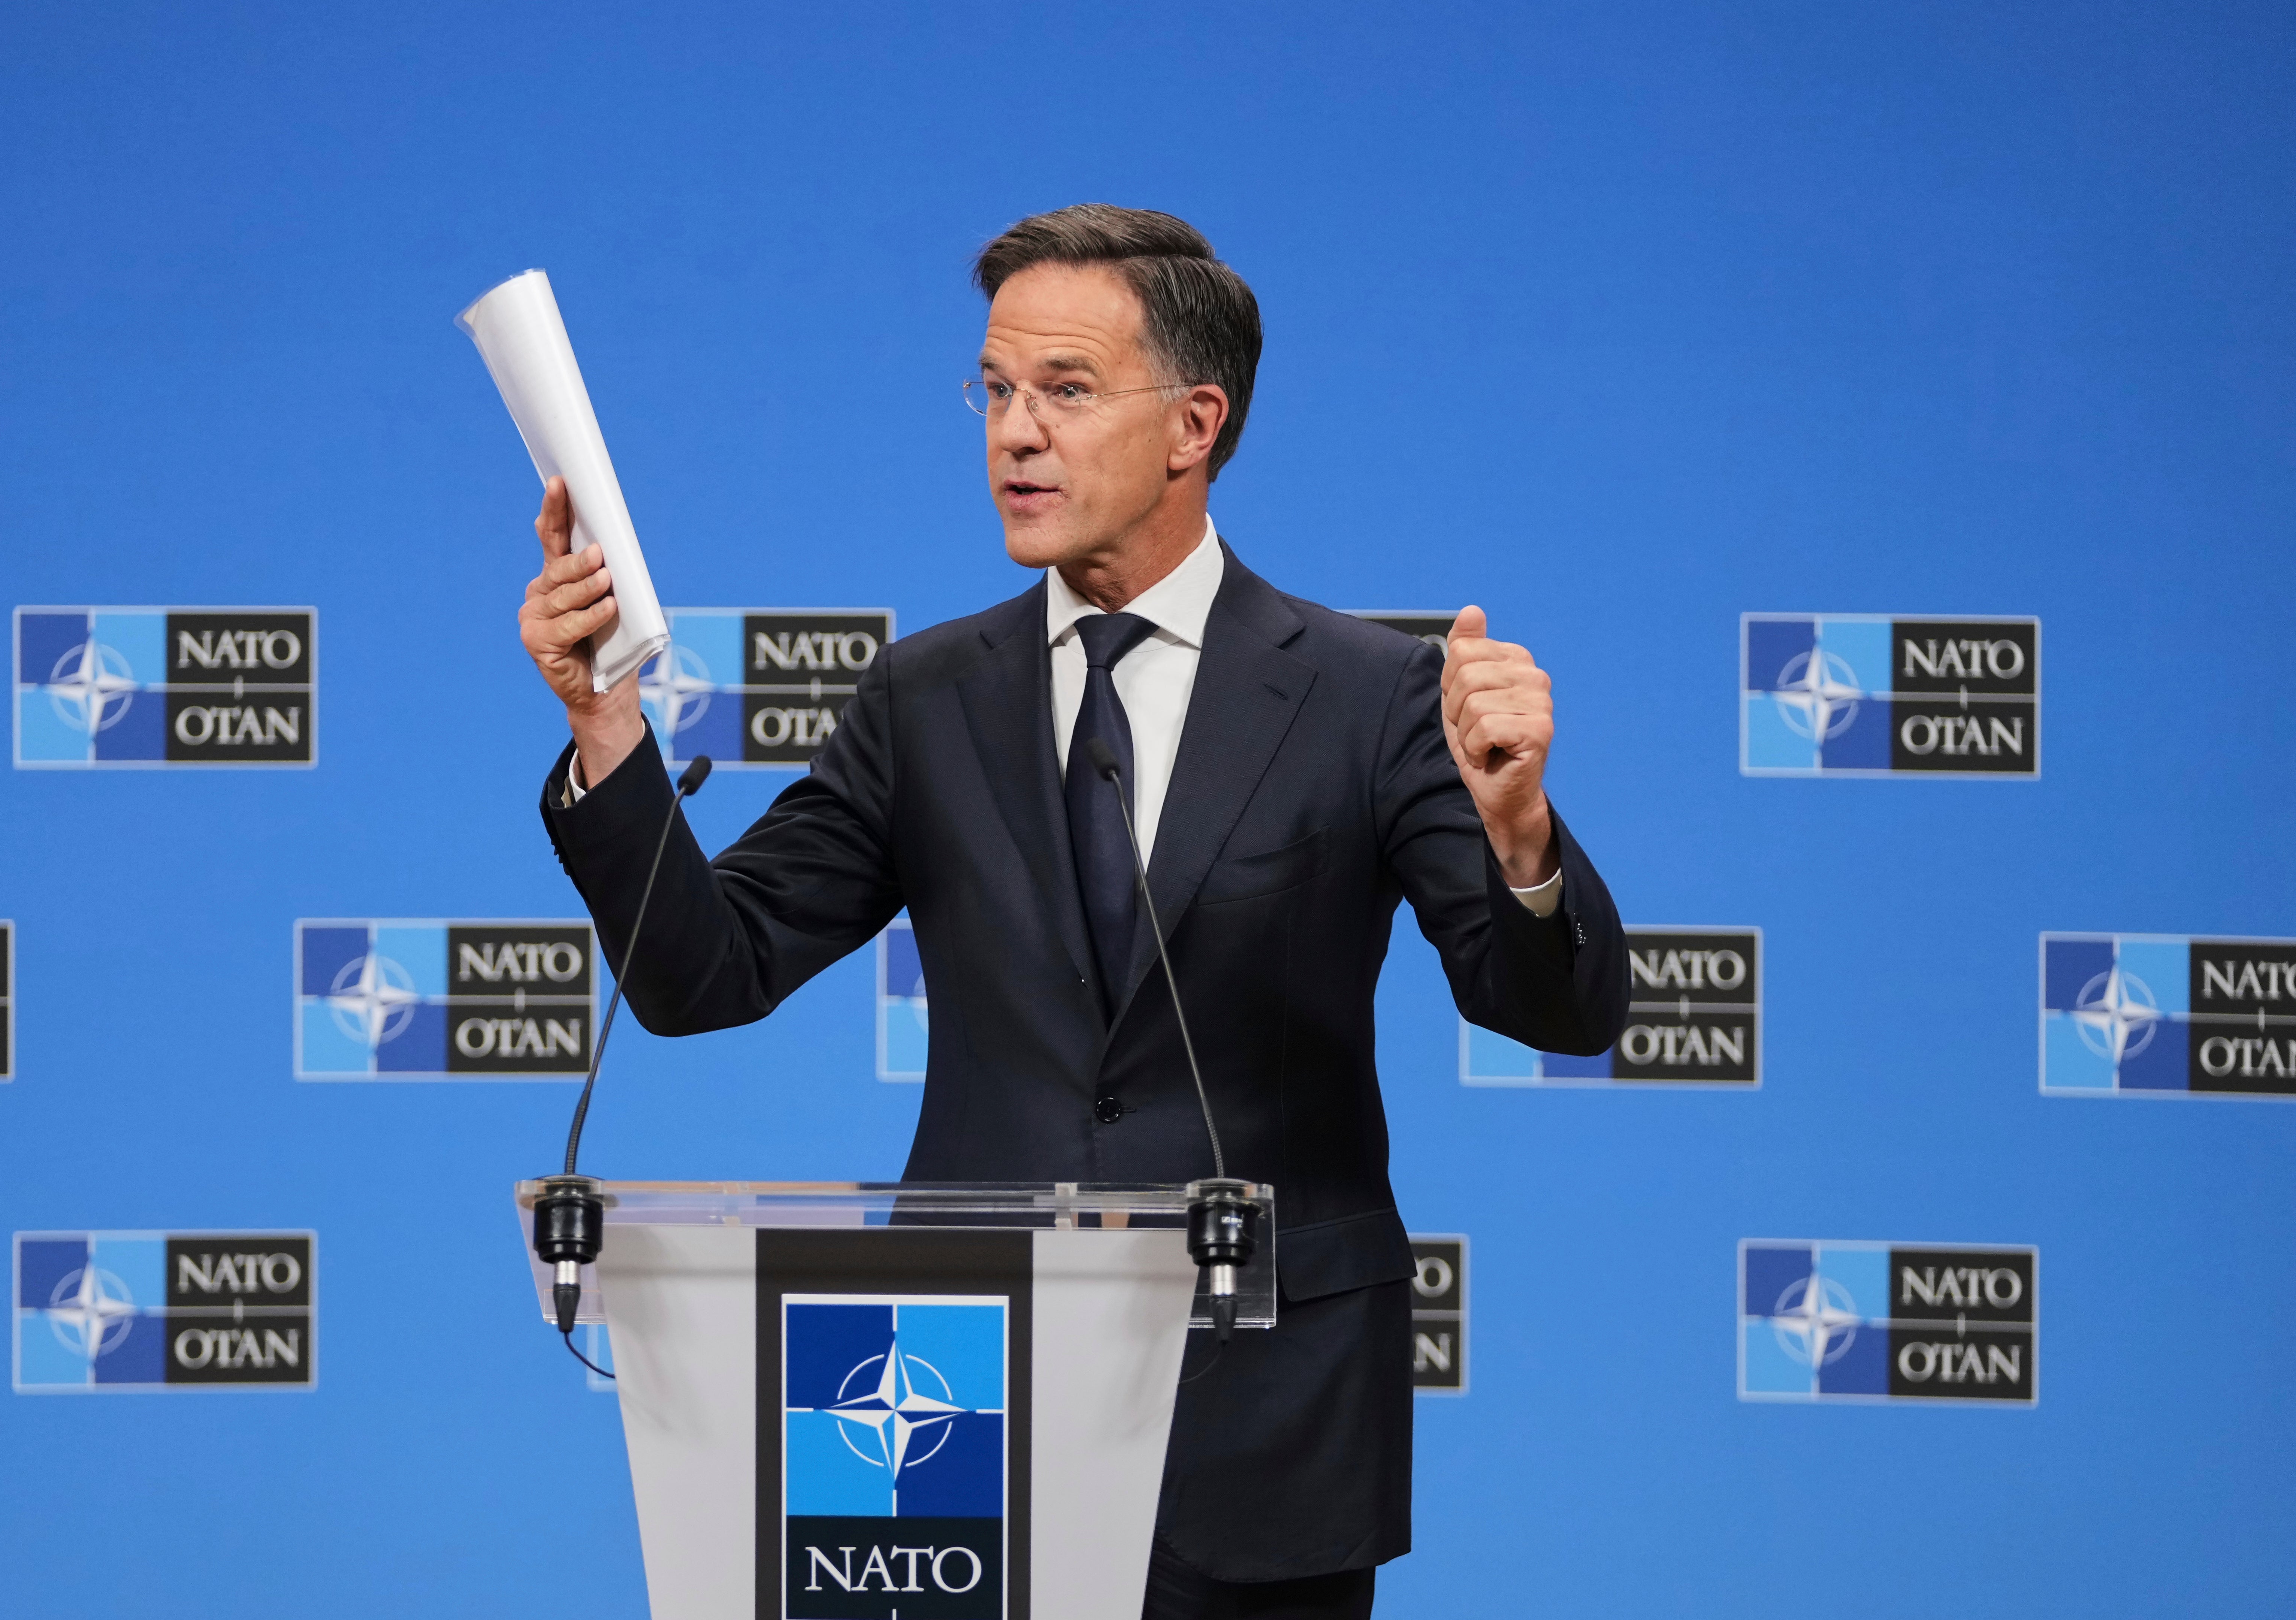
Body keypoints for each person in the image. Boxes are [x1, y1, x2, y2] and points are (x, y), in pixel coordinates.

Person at [517, 204, 1629, 1620]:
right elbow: (703, 973)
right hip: (949, 1417)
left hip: (1263, 1419)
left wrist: (1519, 828)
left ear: (1194, 425)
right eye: (994, 390)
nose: (1015, 433)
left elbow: (1557, 1009)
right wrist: (606, 728)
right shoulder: (925, 700)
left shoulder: (1371, 696)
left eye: (1065, 390)